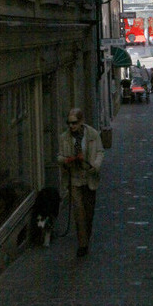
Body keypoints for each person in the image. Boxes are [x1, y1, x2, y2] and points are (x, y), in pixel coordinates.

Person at [57, 108, 104, 257]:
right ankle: (82, 244)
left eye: (74, 123)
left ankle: (87, 236)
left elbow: (100, 152)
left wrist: (95, 165)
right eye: (69, 123)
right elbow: (59, 156)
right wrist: (66, 160)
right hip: (74, 179)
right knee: (79, 212)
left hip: (89, 177)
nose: (71, 126)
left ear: (81, 122)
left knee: (88, 212)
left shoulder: (92, 134)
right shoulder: (64, 137)